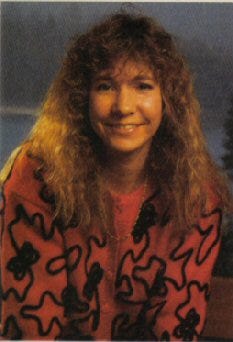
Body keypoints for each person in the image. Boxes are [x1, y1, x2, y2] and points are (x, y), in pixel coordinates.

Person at [0, 12, 232, 341]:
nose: (123, 106)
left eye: (143, 86)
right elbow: (33, 328)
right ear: (82, 97)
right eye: (106, 85)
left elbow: (176, 329)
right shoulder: (37, 177)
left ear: (168, 101)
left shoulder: (198, 193)